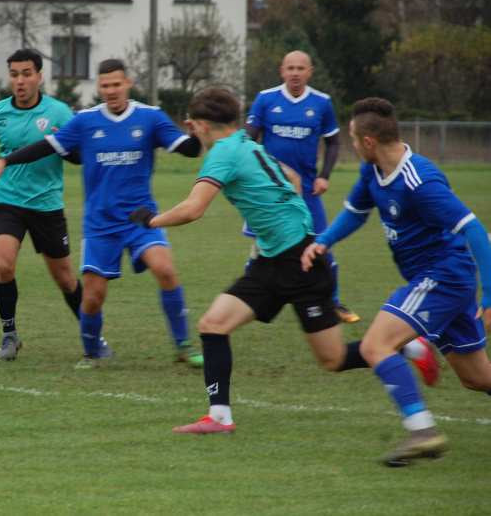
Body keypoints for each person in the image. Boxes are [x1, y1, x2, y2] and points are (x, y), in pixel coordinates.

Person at [127, 88, 439, 437]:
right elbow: (292, 177)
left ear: (198, 124)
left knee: (332, 360)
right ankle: (218, 417)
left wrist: (152, 221)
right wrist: (272, 227)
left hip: (300, 261)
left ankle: (408, 345)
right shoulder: (247, 143)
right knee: (213, 325)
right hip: (273, 259)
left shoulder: (222, 154)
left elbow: (194, 209)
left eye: (192, 126)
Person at [301, 97, 491, 466]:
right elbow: (355, 214)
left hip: (444, 277)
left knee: (376, 345)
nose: (352, 146)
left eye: (355, 139)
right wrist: (323, 241)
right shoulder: (372, 174)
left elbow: (476, 231)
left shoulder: (419, 181)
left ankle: (423, 431)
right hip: (440, 281)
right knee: (477, 377)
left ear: (369, 142)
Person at [0, 58, 203, 369]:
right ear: (99, 88)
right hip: (101, 223)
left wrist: (196, 136)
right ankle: (91, 352)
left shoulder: (151, 117)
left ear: (128, 83)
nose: (111, 91)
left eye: (116, 84)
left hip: (141, 217)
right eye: (105, 86)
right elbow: (45, 147)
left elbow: (188, 149)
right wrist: (5, 161)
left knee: (165, 269)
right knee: (92, 296)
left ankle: (183, 345)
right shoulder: (86, 121)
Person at [0, 48, 82, 361]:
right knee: (4, 264)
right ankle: (9, 334)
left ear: (39, 76)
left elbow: (77, 156)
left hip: (47, 204)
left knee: (65, 278)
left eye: (26, 74)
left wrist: (64, 148)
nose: (19, 81)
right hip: (8, 202)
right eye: (14, 74)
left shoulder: (60, 112)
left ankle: (93, 335)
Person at [246, 50, 359, 323]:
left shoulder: (321, 103)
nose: (295, 73)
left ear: (310, 72)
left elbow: (333, 142)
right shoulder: (265, 99)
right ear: (281, 71)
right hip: (271, 192)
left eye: (300, 68)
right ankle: (246, 298)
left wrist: (325, 176)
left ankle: (333, 302)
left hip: (307, 191)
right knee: (261, 247)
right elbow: (249, 139)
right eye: (290, 68)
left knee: (322, 243)